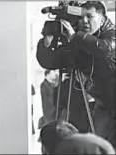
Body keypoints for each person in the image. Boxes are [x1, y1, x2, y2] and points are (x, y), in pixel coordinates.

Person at [36, 1, 115, 147]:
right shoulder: (80, 38)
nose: (84, 21)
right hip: (103, 103)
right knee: (99, 145)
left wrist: (75, 37)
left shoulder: (111, 35)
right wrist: (46, 43)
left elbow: (105, 49)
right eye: (82, 17)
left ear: (102, 19)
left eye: (89, 17)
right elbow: (54, 61)